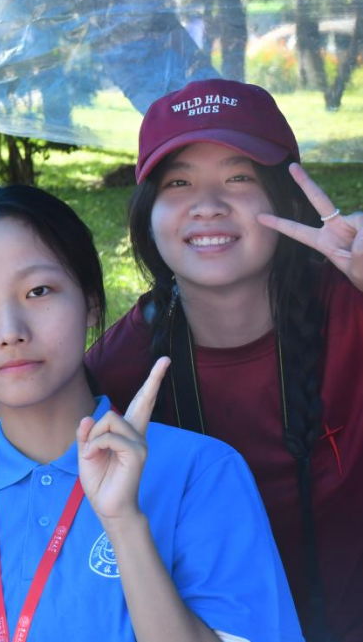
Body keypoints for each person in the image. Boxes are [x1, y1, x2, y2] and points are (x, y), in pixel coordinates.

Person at [0, 184, 301, 640]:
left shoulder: (202, 474)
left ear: (92, 302)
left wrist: (124, 524)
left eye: (38, 291)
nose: (10, 331)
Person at [86, 79, 363, 642]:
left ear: (285, 199)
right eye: (179, 182)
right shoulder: (120, 367)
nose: (208, 206)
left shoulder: (351, 305)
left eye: (239, 178)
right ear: (148, 214)